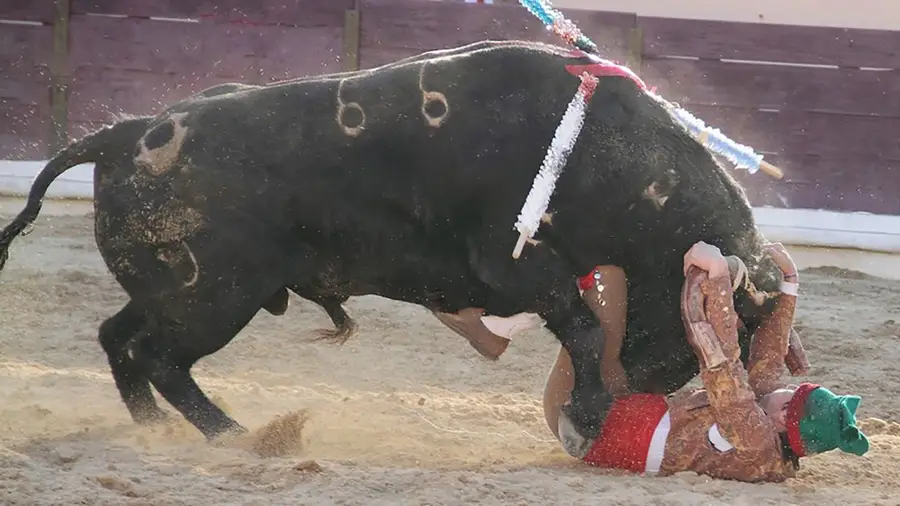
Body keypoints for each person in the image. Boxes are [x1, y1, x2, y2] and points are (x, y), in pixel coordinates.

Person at [540, 241, 870, 482]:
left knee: (591, 337)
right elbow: (769, 359)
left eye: (792, 396)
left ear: (785, 418)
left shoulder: (754, 436)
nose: (787, 388)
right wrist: (790, 285)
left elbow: (723, 362)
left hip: (602, 433)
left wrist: (718, 278)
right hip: (640, 423)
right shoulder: (773, 437)